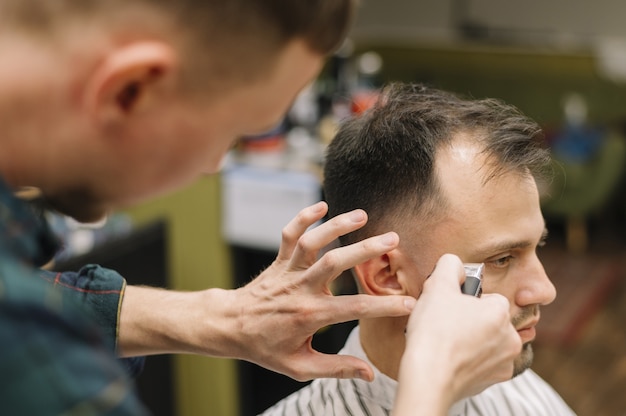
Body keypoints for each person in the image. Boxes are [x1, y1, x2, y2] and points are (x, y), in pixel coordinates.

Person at [0, 1, 521, 414]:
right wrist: (432, 382)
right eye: (235, 131)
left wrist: (224, 317)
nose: (211, 165)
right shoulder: (39, 366)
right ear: (131, 90)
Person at [261, 83, 576, 415]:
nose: (544, 290)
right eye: (501, 259)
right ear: (387, 275)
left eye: (537, 245)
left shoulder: (519, 392)